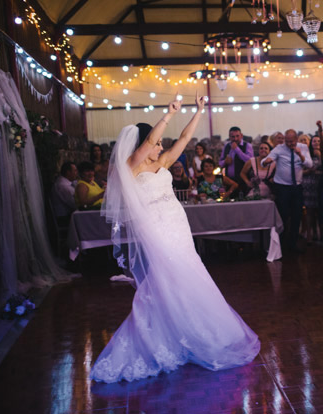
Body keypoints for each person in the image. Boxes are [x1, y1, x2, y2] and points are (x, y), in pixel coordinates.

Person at [91, 93, 259, 383]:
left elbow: (183, 139)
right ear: (142, 145)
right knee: (171, 276)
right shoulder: (133, 167)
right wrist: (167, 114)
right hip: (155, 228)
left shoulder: (164, 163)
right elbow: (147, 143)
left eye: (159, 144)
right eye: (156, 143)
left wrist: (199, 110)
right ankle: (173, 334)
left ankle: (193, 330)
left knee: (189, 273)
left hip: (177, 224)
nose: (160, 147)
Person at [262, 129, 313, 252]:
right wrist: (266, 161)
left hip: (297, 187)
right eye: (288, 141)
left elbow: (310, 165)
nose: (290, 144)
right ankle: (281, 244)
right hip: (282, 187)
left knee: (297, 216)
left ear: (296, 139)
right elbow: (265, 161)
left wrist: (300, 154)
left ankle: (293, 244)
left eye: (292, 142)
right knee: (283, 216)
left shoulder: (303, 147)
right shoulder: (279, 148)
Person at [302, 131, 323, 245]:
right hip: (308, 184)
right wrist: (309, 171)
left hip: (320, 185)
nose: (316, 143)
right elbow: (301, 171)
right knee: (309, 211)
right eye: (314, 141)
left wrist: (320, 156)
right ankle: (310, 233)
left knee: (319, 211)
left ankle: (320, 233)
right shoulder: (306, 155)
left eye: (319, 141)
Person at [219, 126, 254, 194]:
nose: (235, 139)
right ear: (229, 137)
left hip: (243, 180)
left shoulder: (247, 145)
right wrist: (225, 162)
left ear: (241, 135)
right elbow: (220, 163)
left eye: (237, 136)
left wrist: (237, 149)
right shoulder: (226, 146)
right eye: (233, 136)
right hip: (229, 181)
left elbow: (250, 161)